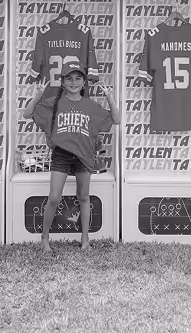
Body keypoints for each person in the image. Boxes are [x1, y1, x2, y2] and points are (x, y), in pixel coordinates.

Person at [23, 60, 120, 252]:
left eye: (78, 78)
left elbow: (116, 119)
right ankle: (44, 239)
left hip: (84, 156)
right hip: (62, 155)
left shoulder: (90, 105)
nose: (74, 83)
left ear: (84, 82)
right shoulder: (55, 103)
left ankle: (85, 239)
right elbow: (27, 114)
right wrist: (37, 97)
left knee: (84, 197)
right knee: (54, 197)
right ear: (62, 82)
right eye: (69, 79)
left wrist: (109, 98)